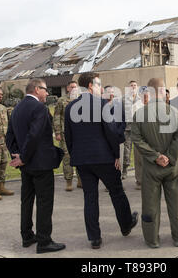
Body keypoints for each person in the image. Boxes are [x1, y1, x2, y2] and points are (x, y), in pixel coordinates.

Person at [64, 72, 138, 249]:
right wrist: (116, 155)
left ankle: (94, 238)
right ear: (90, 85)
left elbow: (69, 136)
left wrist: (76, 155)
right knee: (117, 192)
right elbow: (111, 133)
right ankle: (126, 224)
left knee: (90, 198)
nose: (100, 87)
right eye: (98, 84)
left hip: (82, 160)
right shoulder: (102, 104)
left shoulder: (70, 107)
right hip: (104, 158)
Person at [5, 78, 66, 254]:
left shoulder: (16, 109)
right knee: (45, 202)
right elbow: (34, 136)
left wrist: (16, 155)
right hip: (40, 164)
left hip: (26, 166)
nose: (47, 93)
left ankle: (27, 236)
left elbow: (9, 136)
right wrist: (22, 157)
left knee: (27, 200)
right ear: (37, 89)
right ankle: (44, 241)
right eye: (46, 90)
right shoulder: (39, 108)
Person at [131, 78, 178, 248]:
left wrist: (155, 156)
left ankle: (152, 239)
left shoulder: (140, 114)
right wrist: (169, 157)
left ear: (149, 92)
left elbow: (136, 139)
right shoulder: (174, 112)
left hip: (151, 168)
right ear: (163, 91)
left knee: (150, 204)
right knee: (177, 203)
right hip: (172, 167)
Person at [54, 80, 82, 191]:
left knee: (80, 156)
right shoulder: (61, 101)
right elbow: (56, 117)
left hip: (79, 134)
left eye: (76, 87)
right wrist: (57, 132)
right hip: (66, 134)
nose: (74, 89)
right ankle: (69, 181)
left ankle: (80, 180)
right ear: (67, 88)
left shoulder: (81, 100)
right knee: (67, 157)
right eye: (72, 87)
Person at [122, 80, 141, 180]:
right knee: (126, 151)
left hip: (138, 130)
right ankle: (124, 170)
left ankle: (139, 175)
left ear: (137, 87)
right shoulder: (124, 99)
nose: (133, 87)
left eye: (135, 85)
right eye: (131, 85)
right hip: (127, 129)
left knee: (139, 152)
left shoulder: (141, 99)